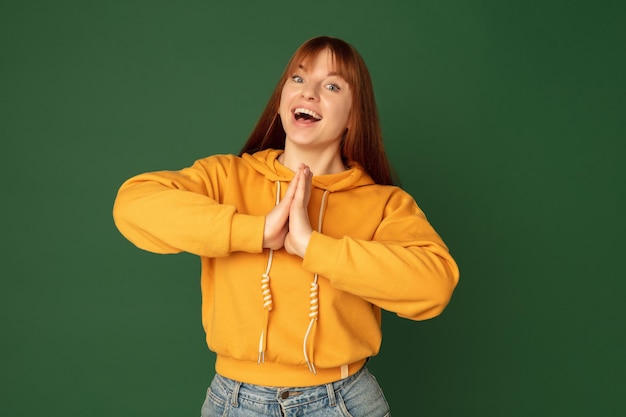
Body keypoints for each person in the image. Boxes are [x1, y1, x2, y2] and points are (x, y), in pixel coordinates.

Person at [113, 35, 459, 417]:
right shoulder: (227, 177)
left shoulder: (384, 204)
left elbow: (435, 285)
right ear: (281, 101)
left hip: (343, 401)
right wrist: (256, 231)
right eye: (298, 79)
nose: (309, 93)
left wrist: (312, 246)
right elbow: (132, 205)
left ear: (354, 114)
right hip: (234, 401)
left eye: (331, 86)